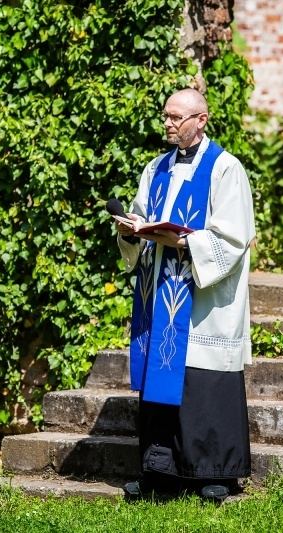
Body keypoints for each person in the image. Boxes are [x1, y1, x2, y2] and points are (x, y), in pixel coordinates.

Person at [114, 88, 256, 502]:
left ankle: (215, 473)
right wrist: (131, 231)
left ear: (201, 120)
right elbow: (143, 216)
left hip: (204, 300)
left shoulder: (226, 169)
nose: (168, 123)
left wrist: (184, 242)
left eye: (177, 117)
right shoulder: (155, 168)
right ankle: (160, 471)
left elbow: (233, 237)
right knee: (162, 380)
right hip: (160, 293)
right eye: (166, 116)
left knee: (203, 383)